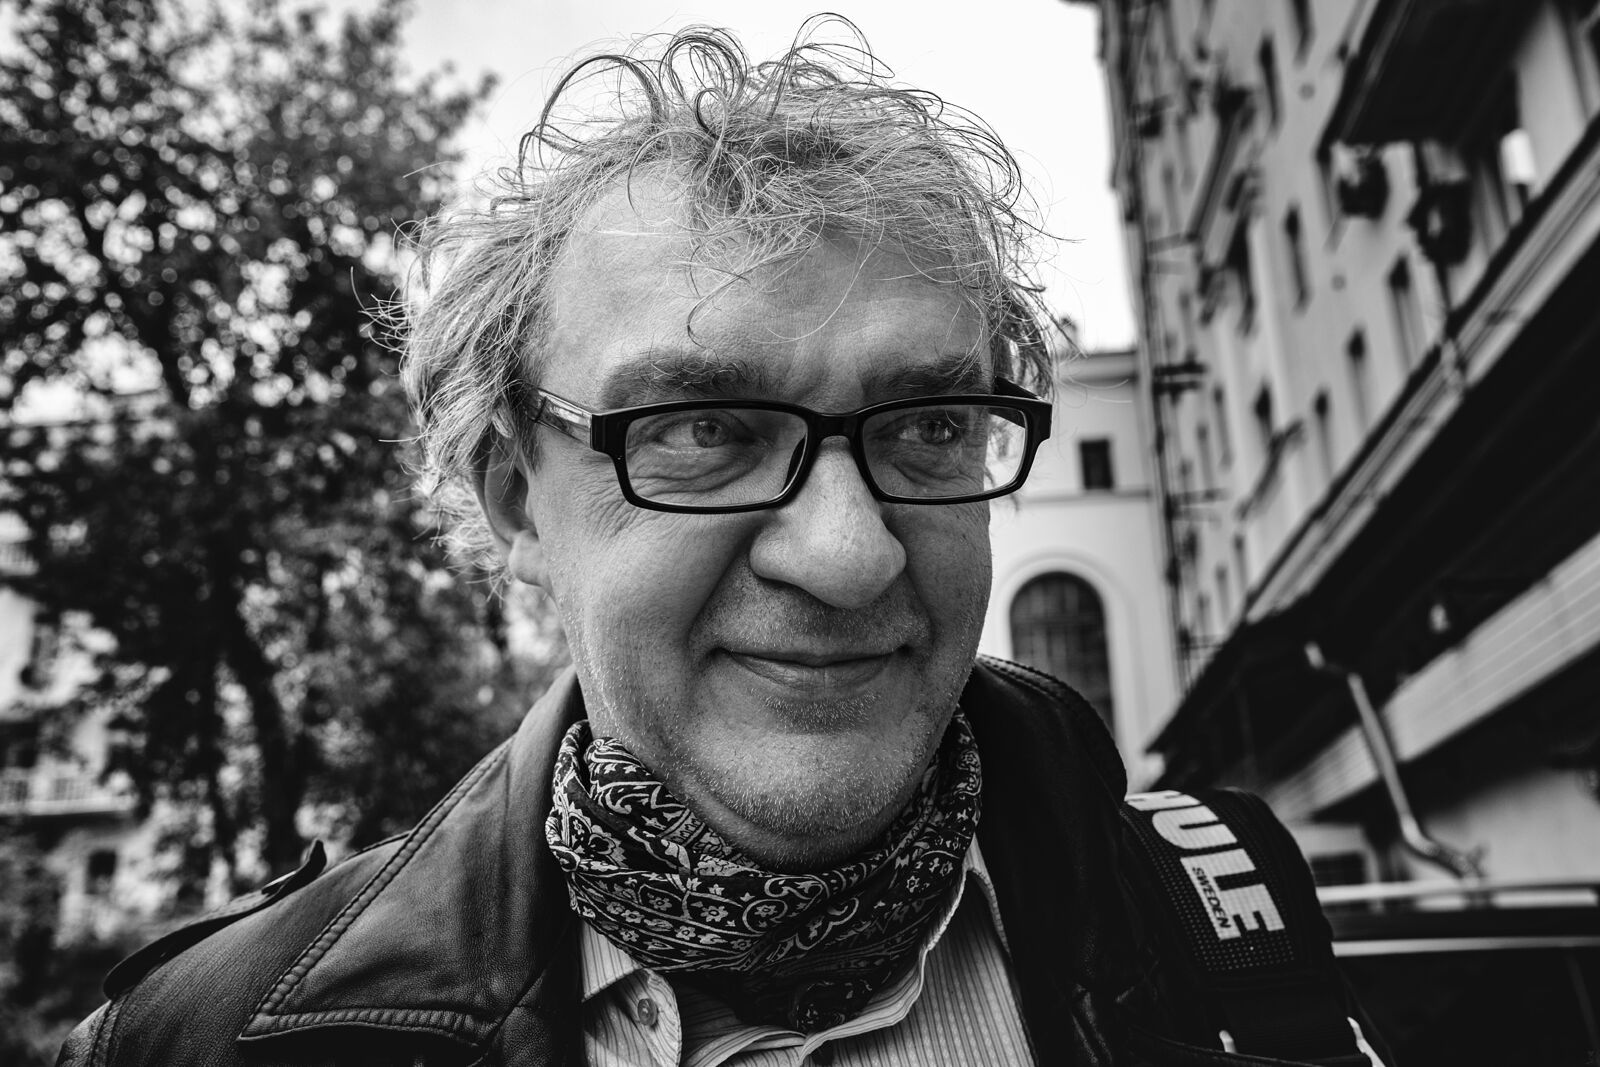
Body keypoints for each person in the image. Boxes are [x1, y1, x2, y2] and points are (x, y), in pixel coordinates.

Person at [58, 21, 1383, 1067]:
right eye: (703, 432)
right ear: (518, 499)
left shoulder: (1218, 927)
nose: (849, 556)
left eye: (927, 426)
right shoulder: (202, 1043)